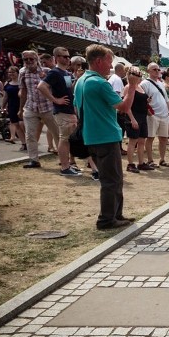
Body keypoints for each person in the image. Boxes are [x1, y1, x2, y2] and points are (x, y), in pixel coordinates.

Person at [73, 45, 136, 229]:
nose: (111, 65)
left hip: (92, 135)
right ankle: (107, 219)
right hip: (105, 136)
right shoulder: (99, 83)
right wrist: (131, 86)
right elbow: (123, 107)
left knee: (112, 178)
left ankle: (116, 214)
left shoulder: (81, 81)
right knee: (112, 180)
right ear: (99, 61)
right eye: (109, 60)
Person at [38, 47, 80, 176]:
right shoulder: (55, 72)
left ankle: (68, 165)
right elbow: (41, 86)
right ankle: (65, 167)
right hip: (61, 110)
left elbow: (68, 90)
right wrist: (55, 100)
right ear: (56, 58)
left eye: (68, 57)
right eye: (64, 56)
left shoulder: (66, 73)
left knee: (68, 139)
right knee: (64, 139)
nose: (67, 59)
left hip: (69, 110)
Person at [19, 50, 62, 169]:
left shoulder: (47, 71)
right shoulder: (22, 72)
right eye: (25, 59)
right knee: (30, 135)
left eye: (31, 59)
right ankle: (34, 160)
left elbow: (56, 88)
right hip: (31, 106)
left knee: (57, 133)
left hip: (47, 107)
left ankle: (63, 158)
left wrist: (56, 101)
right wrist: (20, 108)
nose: (28, 61)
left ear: (36, 59)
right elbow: (23, 91)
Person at [140, 64, 169, 168]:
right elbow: (142, 99)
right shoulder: (144, 83)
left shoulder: (161, 83)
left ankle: (162, 159)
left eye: (158, 69)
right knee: (150, 138)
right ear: (148, 70)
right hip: (153, 115)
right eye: (154, 69)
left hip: (164, 115)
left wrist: (167, 111)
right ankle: (150, 160)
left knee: (163, 138)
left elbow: (166, 99)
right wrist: (148, 111)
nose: (157, 71)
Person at [123, 72, 150, 173]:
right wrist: (132, 119)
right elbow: (127, 105)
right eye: (137, 75)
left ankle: (141, 163)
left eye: (139, 75)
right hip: (134, 116)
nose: (139, 77)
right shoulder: (128, 87)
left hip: (142, 116)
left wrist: (147, 102)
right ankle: (130, 164)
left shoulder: (140, 87)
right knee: (132, 141)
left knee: (142, 141)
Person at [2, 66, 25, 146]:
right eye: (9, 72)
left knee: (22, 124)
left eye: (13, 72)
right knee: (16, 125)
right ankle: (24, 143)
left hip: (22, 105)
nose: (11, 74)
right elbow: (5, 96)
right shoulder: (7, 83)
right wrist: (3, 106)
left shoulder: (22, 82)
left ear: (18, 73)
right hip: (12, 106)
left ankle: (29, 141)